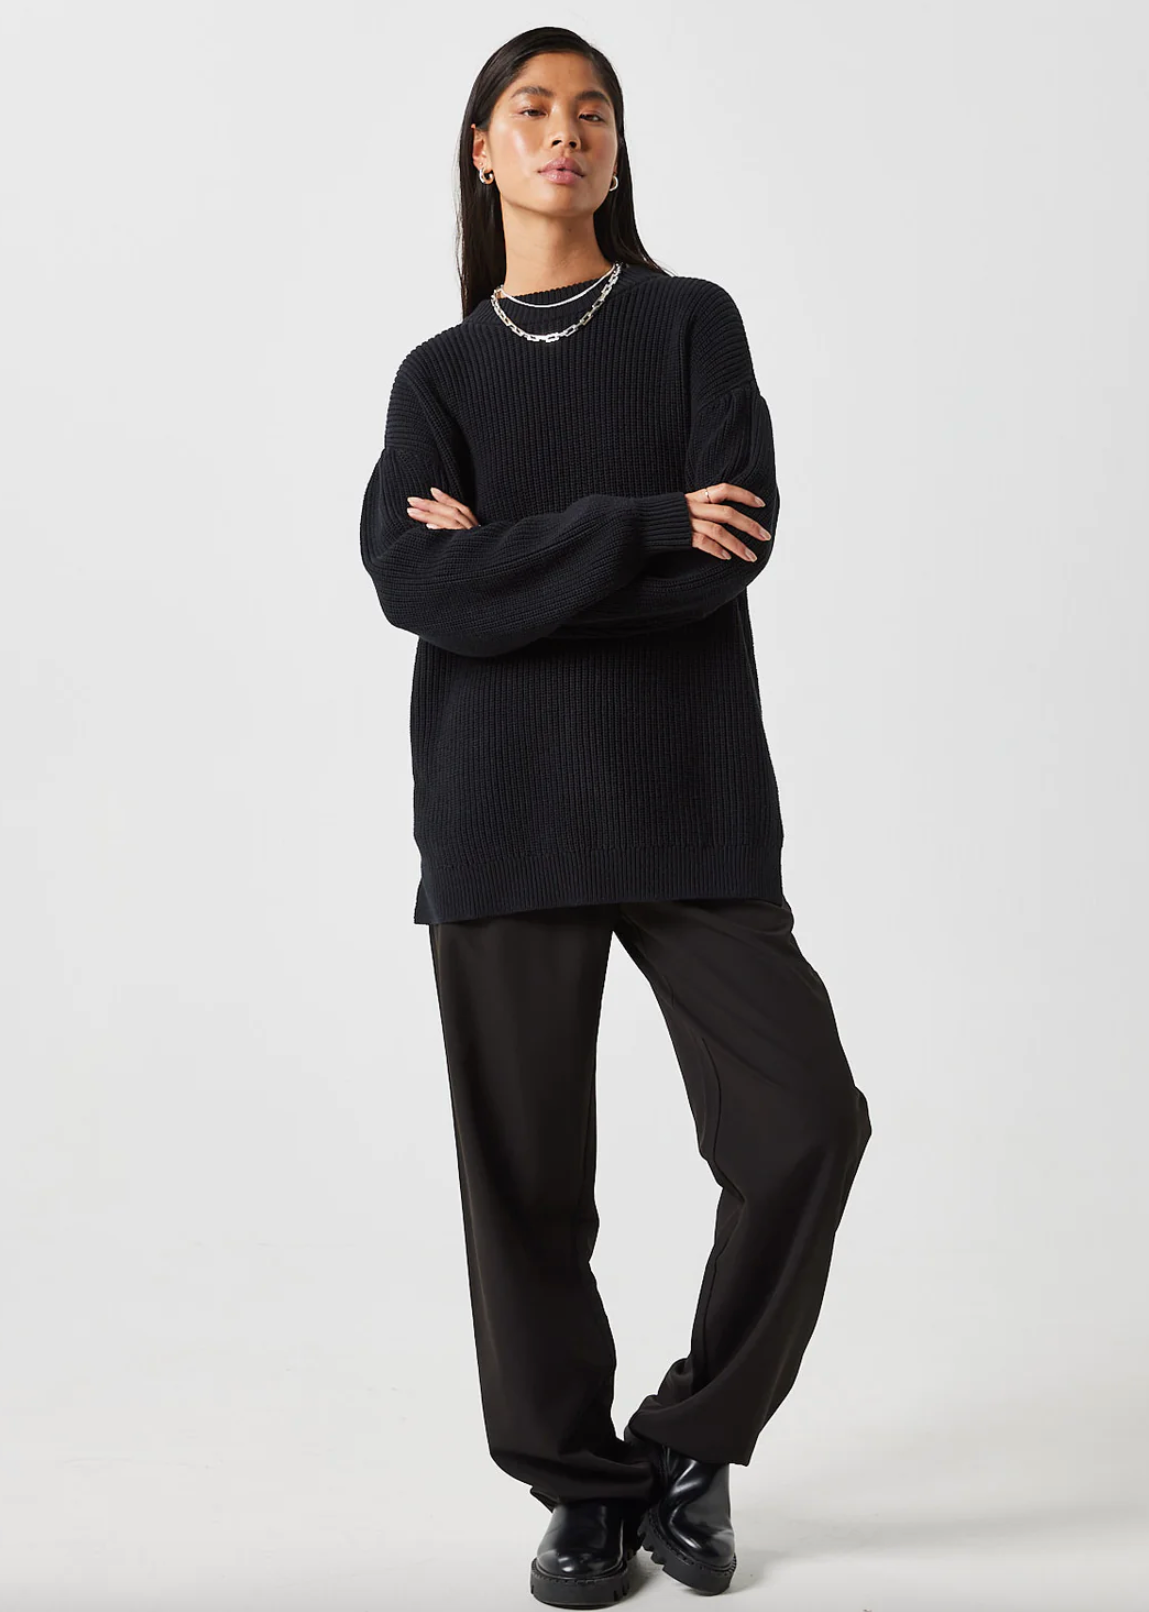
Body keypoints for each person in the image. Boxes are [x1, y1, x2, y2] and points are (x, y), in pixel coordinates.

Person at [359, 26, 873, 1607]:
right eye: (531, 110)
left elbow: (728, 553)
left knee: (805, 1125)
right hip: (500, 815)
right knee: (523, 1187)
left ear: (617, 147)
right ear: (482, 150)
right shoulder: (438, 378)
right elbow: (412, 581)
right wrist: (638, 525)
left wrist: (514, 559)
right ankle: (581, 1491)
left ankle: (692, 1441)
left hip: (687, 804)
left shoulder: (687, 323)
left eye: (592, 111)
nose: (564, 132)